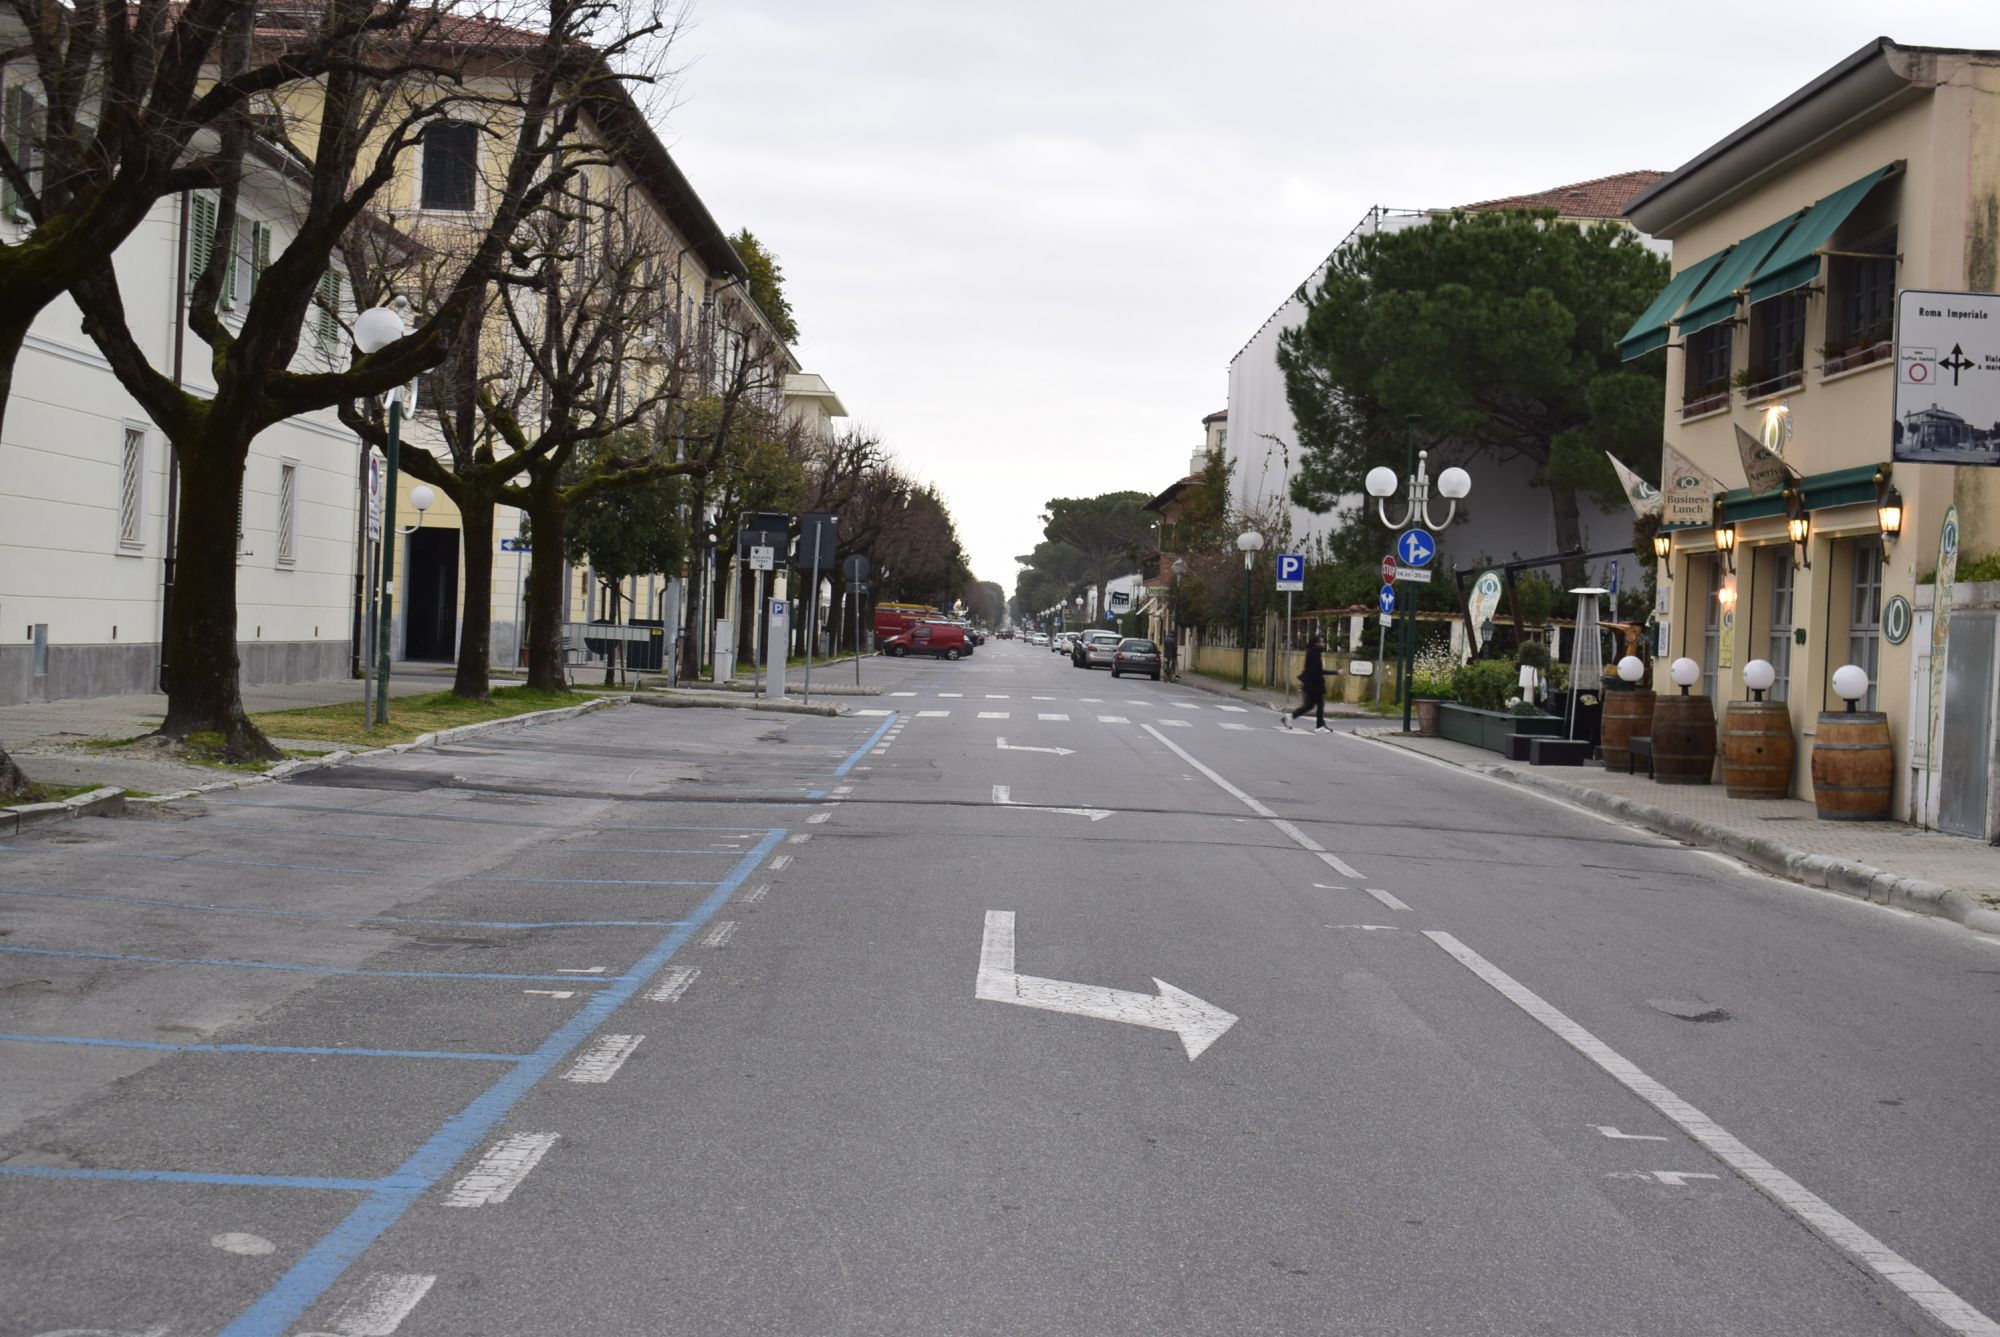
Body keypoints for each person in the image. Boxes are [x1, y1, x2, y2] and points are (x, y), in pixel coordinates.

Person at [1283, 633, 1328, 731]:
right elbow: (1317, 671)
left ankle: (1289, 717)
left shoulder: (1312, 652)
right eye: (1321, 642)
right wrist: (1335, 672)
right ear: (1316, 643)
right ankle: (1319, 726)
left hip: (1311, 684)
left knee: (1309, 705)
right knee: (1320, 704)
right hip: (1314, 684)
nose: (1323, 644)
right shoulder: (1314, 653)